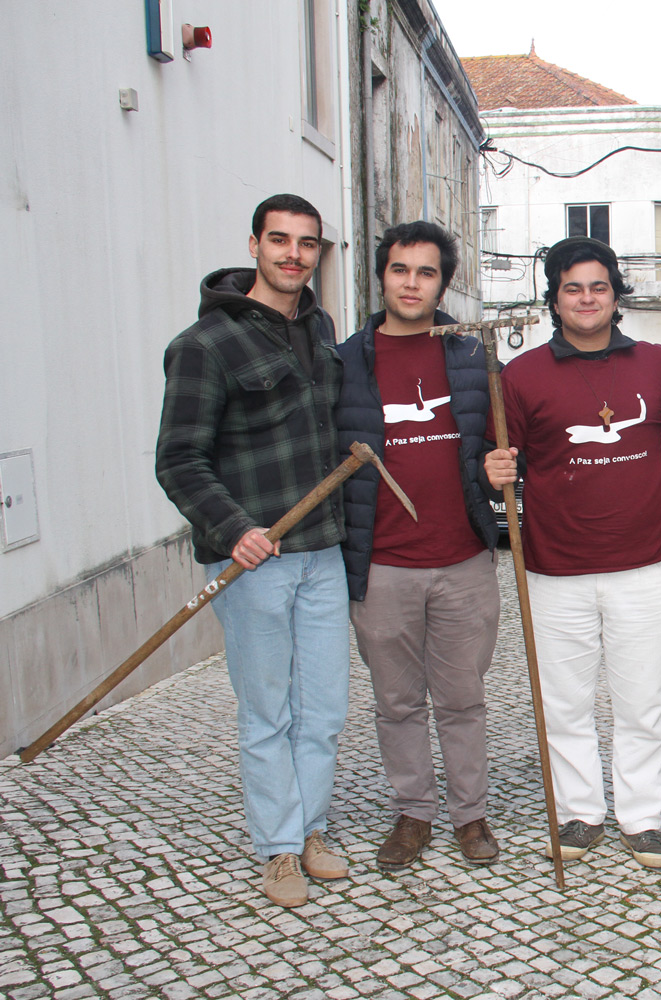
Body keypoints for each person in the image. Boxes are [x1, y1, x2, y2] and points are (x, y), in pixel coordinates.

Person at [156, 194, 349, 908]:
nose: (294, 254)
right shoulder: (204, 345)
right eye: (280, 240)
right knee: (268, 711)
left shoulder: (319, 330)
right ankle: (278, 849)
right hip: (254, 559)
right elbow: (179, 459)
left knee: (323, 709)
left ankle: (311, 829)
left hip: (322, 550)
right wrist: (234, 528)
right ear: (254, 245)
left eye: (307, 243)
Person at [496, 236, 661, 870]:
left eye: (598, 286)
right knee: (564, 705)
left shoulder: (659, 364)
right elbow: (498, 461)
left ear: (616, 295)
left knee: (643, 703)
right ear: (554, 299)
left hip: (643, 567)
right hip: (555, 570)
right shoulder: (520, 376)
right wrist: (490, 469)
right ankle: (580, 812)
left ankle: (642, 817)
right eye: (572, 288)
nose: (586, 298)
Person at [334, 221, 508, 871]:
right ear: (381, 276)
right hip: (381, 565)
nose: (411, 283)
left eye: (426, 272)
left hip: (462, 559)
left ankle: (470, 814)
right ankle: (413, 812)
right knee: (397, 702)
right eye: (400, 270)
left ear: (444, 283)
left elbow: (500, 440)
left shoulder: (472, 356)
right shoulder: (344, 362)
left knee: (462, 698)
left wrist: (497, 468)